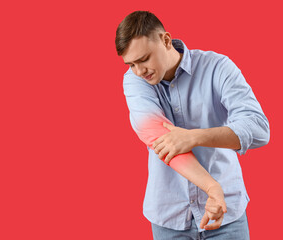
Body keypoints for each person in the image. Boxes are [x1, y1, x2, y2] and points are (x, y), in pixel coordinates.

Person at [115, 11, 269, 239]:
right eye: (131, 64)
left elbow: (258, 128)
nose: (139, 71)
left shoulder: (218, 67)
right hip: (170, 218)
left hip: (227, 215)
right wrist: (211, 187)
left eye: (144, 59)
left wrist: (195, 136)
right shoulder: (135, 80)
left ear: (166, 40)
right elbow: (157, 135)